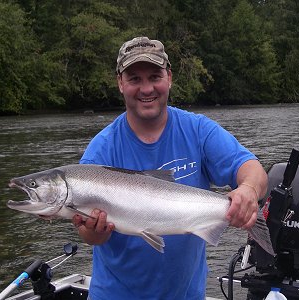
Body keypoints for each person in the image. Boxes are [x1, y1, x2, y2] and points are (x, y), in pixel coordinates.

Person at [72, 36, 268, 300]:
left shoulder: (198, 130)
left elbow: (253, 169)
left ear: (169, 77)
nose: (146, 88)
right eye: (134, 79)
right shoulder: (102, 149)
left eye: (154, 76)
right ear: (120, 83)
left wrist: (248, 190)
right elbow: (88, 236)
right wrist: (92, 231)